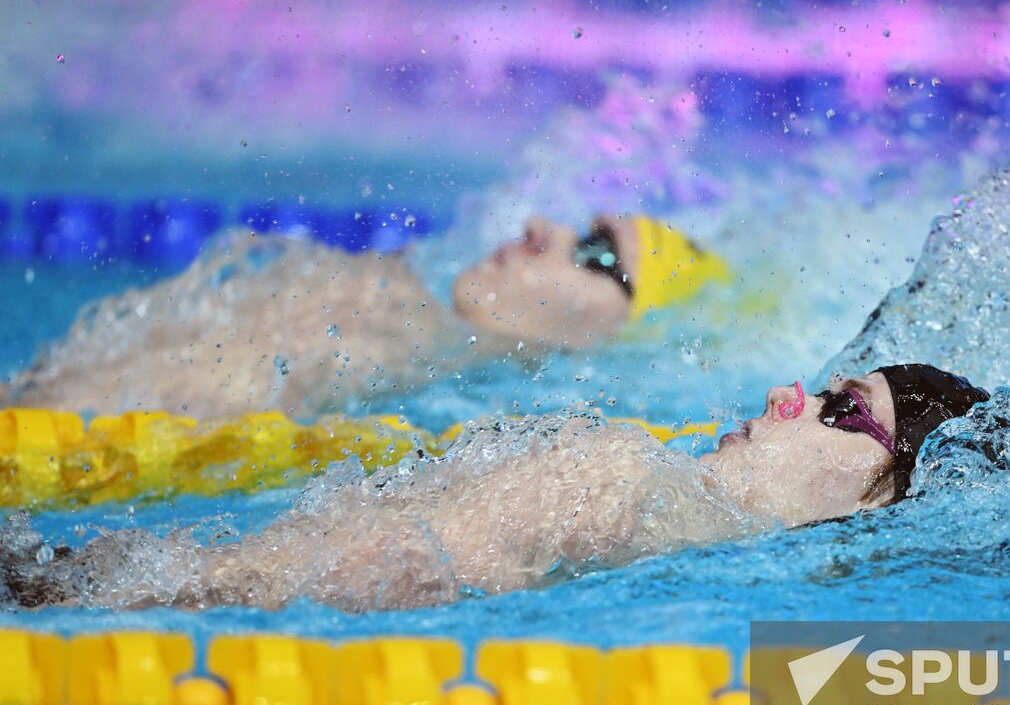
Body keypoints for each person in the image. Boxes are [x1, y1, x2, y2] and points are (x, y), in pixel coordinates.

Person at [1, 364, 988, 613]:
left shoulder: (617, 472)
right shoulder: (683, 539)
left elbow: (370, 568)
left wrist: (49, 588)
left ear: (882, 498)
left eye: (835, 410)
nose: (785, 392)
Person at [1, 214, 731, 420]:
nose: (544, 227)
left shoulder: (440, 378)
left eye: (599, 255)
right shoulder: (381, 299)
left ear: (622, 335)